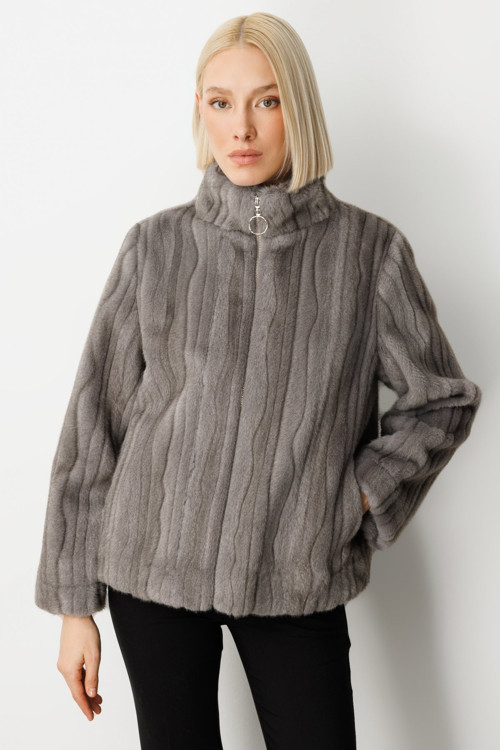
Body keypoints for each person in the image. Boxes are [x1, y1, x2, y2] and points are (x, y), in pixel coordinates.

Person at [34, 12, 482, 750]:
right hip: (151, 565)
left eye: (266, 101)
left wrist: (354, 497)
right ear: (200, 111)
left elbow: (441, 400)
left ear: (297, 108)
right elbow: (95, 425)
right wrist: (73, 608)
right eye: (221, 102)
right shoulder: (155, 247)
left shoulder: (369, 252)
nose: (241, 127)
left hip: (296, 572)